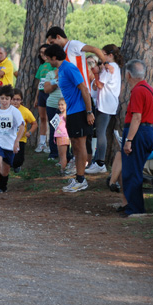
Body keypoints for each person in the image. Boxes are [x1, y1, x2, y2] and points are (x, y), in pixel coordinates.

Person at [44, 44, 95, 193]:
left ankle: (81, 179)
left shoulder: (69, 68)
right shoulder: (61, 70)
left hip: (80, 111)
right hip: (72, 112)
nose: (47, 61)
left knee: (80, 145)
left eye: (48, 58)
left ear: (54, 57)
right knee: (75, 145)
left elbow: (84, 89)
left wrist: (89, 111)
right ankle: (78, 177)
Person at [121, 60, 153, 217]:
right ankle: (135, 205)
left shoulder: (137, 91)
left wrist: (129, 140)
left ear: (128, 74)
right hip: (147, 131)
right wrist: (151, 131)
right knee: (136, 170)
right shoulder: (149, 89)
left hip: (137, 132)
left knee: (132, 171)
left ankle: (135, 208)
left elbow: (136, 117)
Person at [86, 44, 123, 175]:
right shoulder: (113, 68)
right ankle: (98, 159)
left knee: (100, 132)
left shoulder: (111, 68)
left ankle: (100, 162)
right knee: (101, 132)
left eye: (104, 55)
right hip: (108, 103)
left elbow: (100, 84)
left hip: (106, 104)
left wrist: (95, 73)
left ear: (110, 55)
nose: (102, 58)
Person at [11, 88, 38, 173]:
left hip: (21, 139)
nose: (15, 102)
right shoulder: (6, 109)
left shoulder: (25, 111)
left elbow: (34, 123)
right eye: (13, 99)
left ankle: (16, 166)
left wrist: (30, 132)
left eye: (18, 99)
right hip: (9, 138)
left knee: (19, 160)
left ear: (21, 100)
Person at [34, 44, 53, 153]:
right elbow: (39, 83)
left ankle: (50, 143)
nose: (43, 54)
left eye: (45, 52)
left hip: (50, 93)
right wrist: (36, 98)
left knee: (51, 119)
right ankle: (42, 142)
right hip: (42, 94)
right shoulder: (41, 67)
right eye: (41, 53)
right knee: (42, 118)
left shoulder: (53, 65)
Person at [54, 98, 70, 175]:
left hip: (64, 136)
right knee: (60, 154)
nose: (60, 106)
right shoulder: (59, 115)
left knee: (63, 155)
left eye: (62, 104)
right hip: (58, 136)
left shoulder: (66, 115)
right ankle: (62, 168)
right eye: (59, 105)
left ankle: (63, 170)